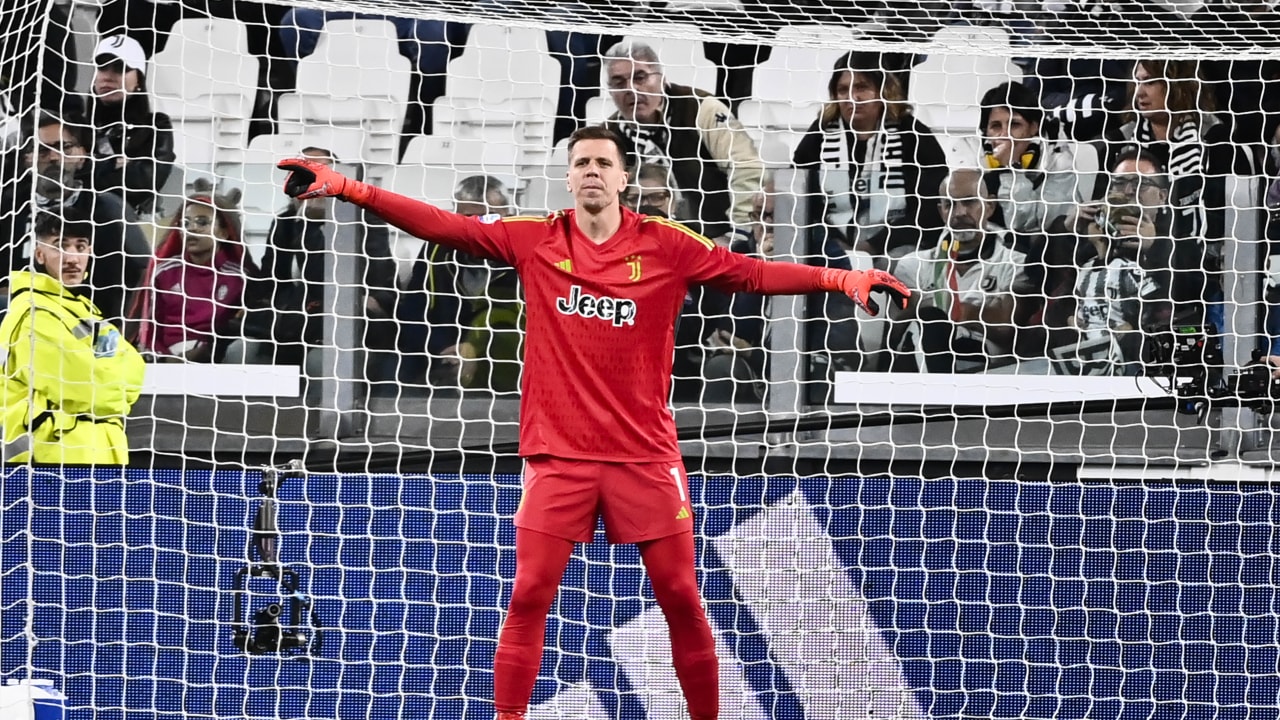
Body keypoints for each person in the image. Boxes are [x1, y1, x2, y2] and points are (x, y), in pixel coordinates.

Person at [276, 125, 910, 720]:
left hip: (644, 455)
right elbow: (448, 227)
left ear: (626, 178)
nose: (591, 172)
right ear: (568, 176)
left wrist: (838, 277)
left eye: (604, 163)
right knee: (528, 595)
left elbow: (749, 274)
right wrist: (348, 187)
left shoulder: (665, 243)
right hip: (560, 456)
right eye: (580, 163)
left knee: (682, 598)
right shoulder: (537, 238)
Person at [0, 209, 145, 465]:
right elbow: (91, 388)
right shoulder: (33, 313)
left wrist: (108, 377)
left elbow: (135, 370)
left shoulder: (84, 311)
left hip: (101, 456)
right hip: (52, 462)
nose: (72, 258)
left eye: (81, 246)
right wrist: (112, 376)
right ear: (39, 254)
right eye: (60, 246)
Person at [792, 50, 949, 265]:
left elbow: (930, 208)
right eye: (842, 90)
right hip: (832, 245)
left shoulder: (912, 134)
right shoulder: (820, 133)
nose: (852, 98)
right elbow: (798, 195)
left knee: (899, 264)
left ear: (883, 90)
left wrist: (874, 245)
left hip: (899, 246)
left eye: (862, 87)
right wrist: (834, 242)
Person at [601, 40, 765, 245]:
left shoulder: (702, 109)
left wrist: (739, 232)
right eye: (618, 83)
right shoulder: (607, 136)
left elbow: (746, 166)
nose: (631, 89)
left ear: (661, 78)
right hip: (639, 245)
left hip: (714, 240)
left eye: (640, 77)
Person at [0, 112, 151, 328]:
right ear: (28, 159)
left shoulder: (107, 208)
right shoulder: (10, 207)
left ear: (82, 155)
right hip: (19, 323)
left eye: (64, 147)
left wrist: (116, 332)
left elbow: (141, 272)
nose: (53, 156)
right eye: (43, 150)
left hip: (88, 321)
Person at [888, 168, 1034, 373]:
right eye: (950, 204)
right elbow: (897, 333)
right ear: (941, 211)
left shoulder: (1016, 263)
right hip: (922, 362)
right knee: (930, 321)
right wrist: (942, 315)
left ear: (990, 206)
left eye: (969, 202)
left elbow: (1009, 329)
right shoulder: (912, 264)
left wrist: (966, 312)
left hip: (989, 369)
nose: (960, 212)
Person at [397, 175, 522, 391]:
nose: (478, 225)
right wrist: (447, 348)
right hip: (442, 352)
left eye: (489, 217)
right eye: (469, 216)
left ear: (508, 215)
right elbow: (411, 314)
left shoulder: (528, 254)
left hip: (506, 356)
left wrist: (475, 350)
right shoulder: (435, 249)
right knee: (395, 371)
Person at [128, 180, 258, 363]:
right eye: (185, 223)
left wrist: (205, 353)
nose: (191, 229)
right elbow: (147, 327)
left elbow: (238, 329)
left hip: (219, 362)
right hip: (163, 364)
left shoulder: (241, 278)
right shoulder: (163, 272)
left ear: (223, 232)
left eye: (202, 222)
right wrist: (165, 359)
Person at [87, 34, 176, 217]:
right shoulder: (76, 124)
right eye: (101, 67)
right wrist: (114, 165)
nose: (108, 77)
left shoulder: (156, 125)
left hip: (131, 224)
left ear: (138, 80)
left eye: (120, 68)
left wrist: (93, 167)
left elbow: (144, 182)